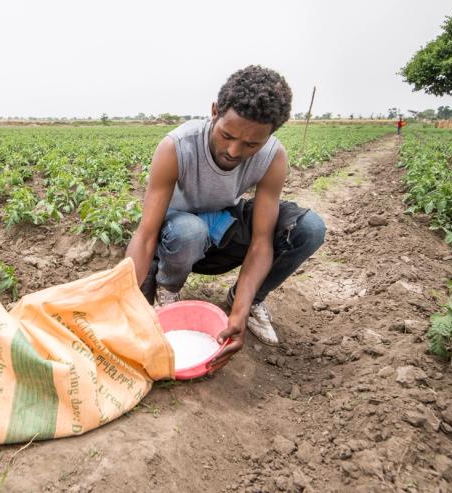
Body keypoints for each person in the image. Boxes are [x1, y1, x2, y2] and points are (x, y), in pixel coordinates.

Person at [125, 66, 326, 372]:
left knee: (308, 229)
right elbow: (146, 233)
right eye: (227, 135)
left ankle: (247, 299)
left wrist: (240, 312)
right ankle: (168, 291)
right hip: (175, 237)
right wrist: (123, 300)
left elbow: (261, 242)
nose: (233, 151)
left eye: (250, 144)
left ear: (270, 135)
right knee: (188, 230)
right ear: (215, 111)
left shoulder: (273, 156)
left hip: (222, 226)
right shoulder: (177, 146)